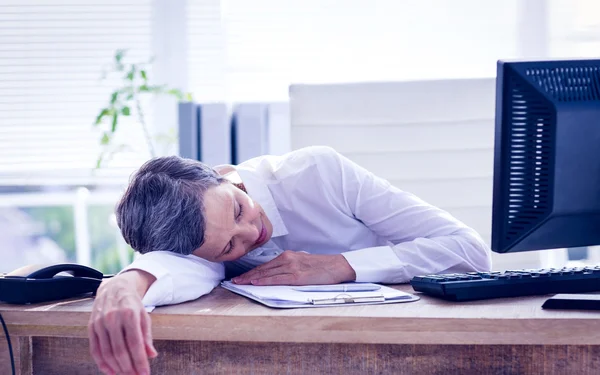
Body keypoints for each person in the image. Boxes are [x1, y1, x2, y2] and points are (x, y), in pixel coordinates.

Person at [88, 146, 492, 375]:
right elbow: (181, 270)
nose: (251, 233)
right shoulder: (199, 245)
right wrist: (127, 282)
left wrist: (340, 265)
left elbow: (468, 250)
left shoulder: (320, 173)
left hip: (410, 341)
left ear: (223, 176)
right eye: (229, 248)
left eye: (237, 210)